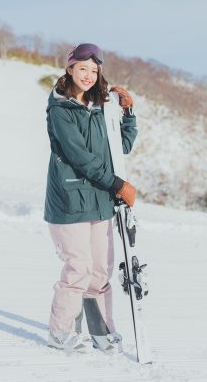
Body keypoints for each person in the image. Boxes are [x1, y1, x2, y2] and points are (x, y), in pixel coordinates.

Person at [44, 43, 138, 354]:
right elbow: (80, 157)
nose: (88, 75)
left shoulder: (100, 109)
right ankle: (60, 331)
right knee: (79, 269)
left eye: (94, 70)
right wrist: (118, 184)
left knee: (100, 270)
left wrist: (127, 114)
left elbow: (119, 147)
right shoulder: (60, 110)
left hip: (99, 200)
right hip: (70, 201)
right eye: (83, 68)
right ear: (69, 69)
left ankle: (101, 330)